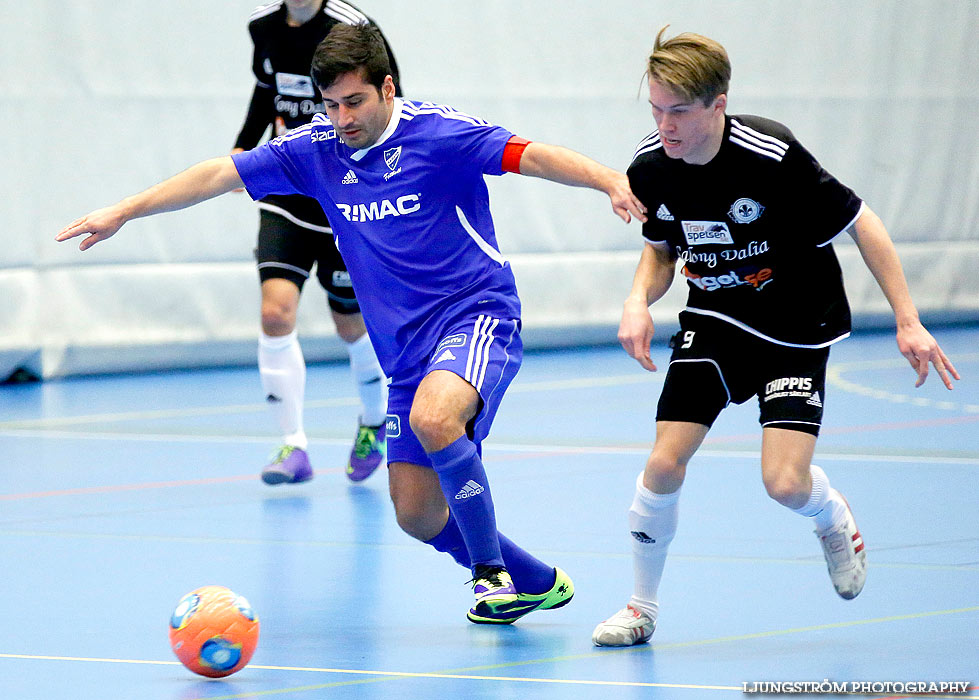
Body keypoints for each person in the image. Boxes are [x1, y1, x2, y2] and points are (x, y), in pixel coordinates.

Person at [57, 22, 647, 623]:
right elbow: (219, 175)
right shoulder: (316, 151)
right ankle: (535, 582)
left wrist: (607, 180)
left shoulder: (439, 135)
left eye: (354, 102)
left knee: (436, 416)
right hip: (404, 352)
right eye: (331, 105)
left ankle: (489, 574)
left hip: (475, 314)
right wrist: (126, 210)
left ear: (387, 89)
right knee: (417, 515)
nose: (342, 117)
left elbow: (531, 154)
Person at [591, 27, 961, 647]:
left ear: (718, 103)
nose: (665, 125)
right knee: (662, 463)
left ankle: (831, 516)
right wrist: (635, 301)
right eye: (655, 108)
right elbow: (659, 253)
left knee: (785, 484)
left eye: (679, 111)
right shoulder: (651, 166)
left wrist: (907, 318)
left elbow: (862, 223)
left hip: (795, 325)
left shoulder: (772, 155)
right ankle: (640, 607)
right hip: (715, 320)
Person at [232, 0, 402, 486]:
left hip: (341, 196)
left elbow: (389, 103)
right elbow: (267, 90)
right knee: (275, 312)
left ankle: (373, 422)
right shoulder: (262, 25)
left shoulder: (353, 27)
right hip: (288, 188)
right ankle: (293, 444)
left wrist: (379, 182)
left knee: (350, 323)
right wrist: (244, 145)